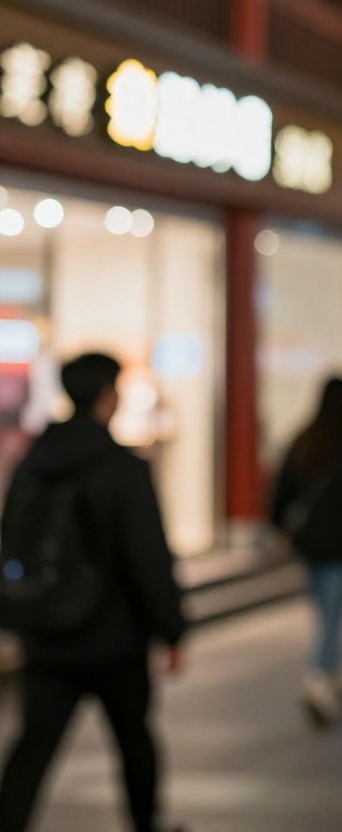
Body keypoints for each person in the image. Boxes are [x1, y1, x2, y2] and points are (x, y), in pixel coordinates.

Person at [0, 353, 187, 832]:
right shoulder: (122, 467)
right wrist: (170, 627)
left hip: (47, 635)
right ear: (108, 394)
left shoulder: (33, 462)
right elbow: (147, 556)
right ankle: (145, 826)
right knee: (133, 742)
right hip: (115, 636)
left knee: (34, 745)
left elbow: (12, 541)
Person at [269, 377, 342, 725]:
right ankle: (318, 676)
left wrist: (280, 526)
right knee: (333, 611)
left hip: (310, 542)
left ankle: (337, 667)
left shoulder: (305, 439)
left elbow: (281, 488)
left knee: (327, 609)